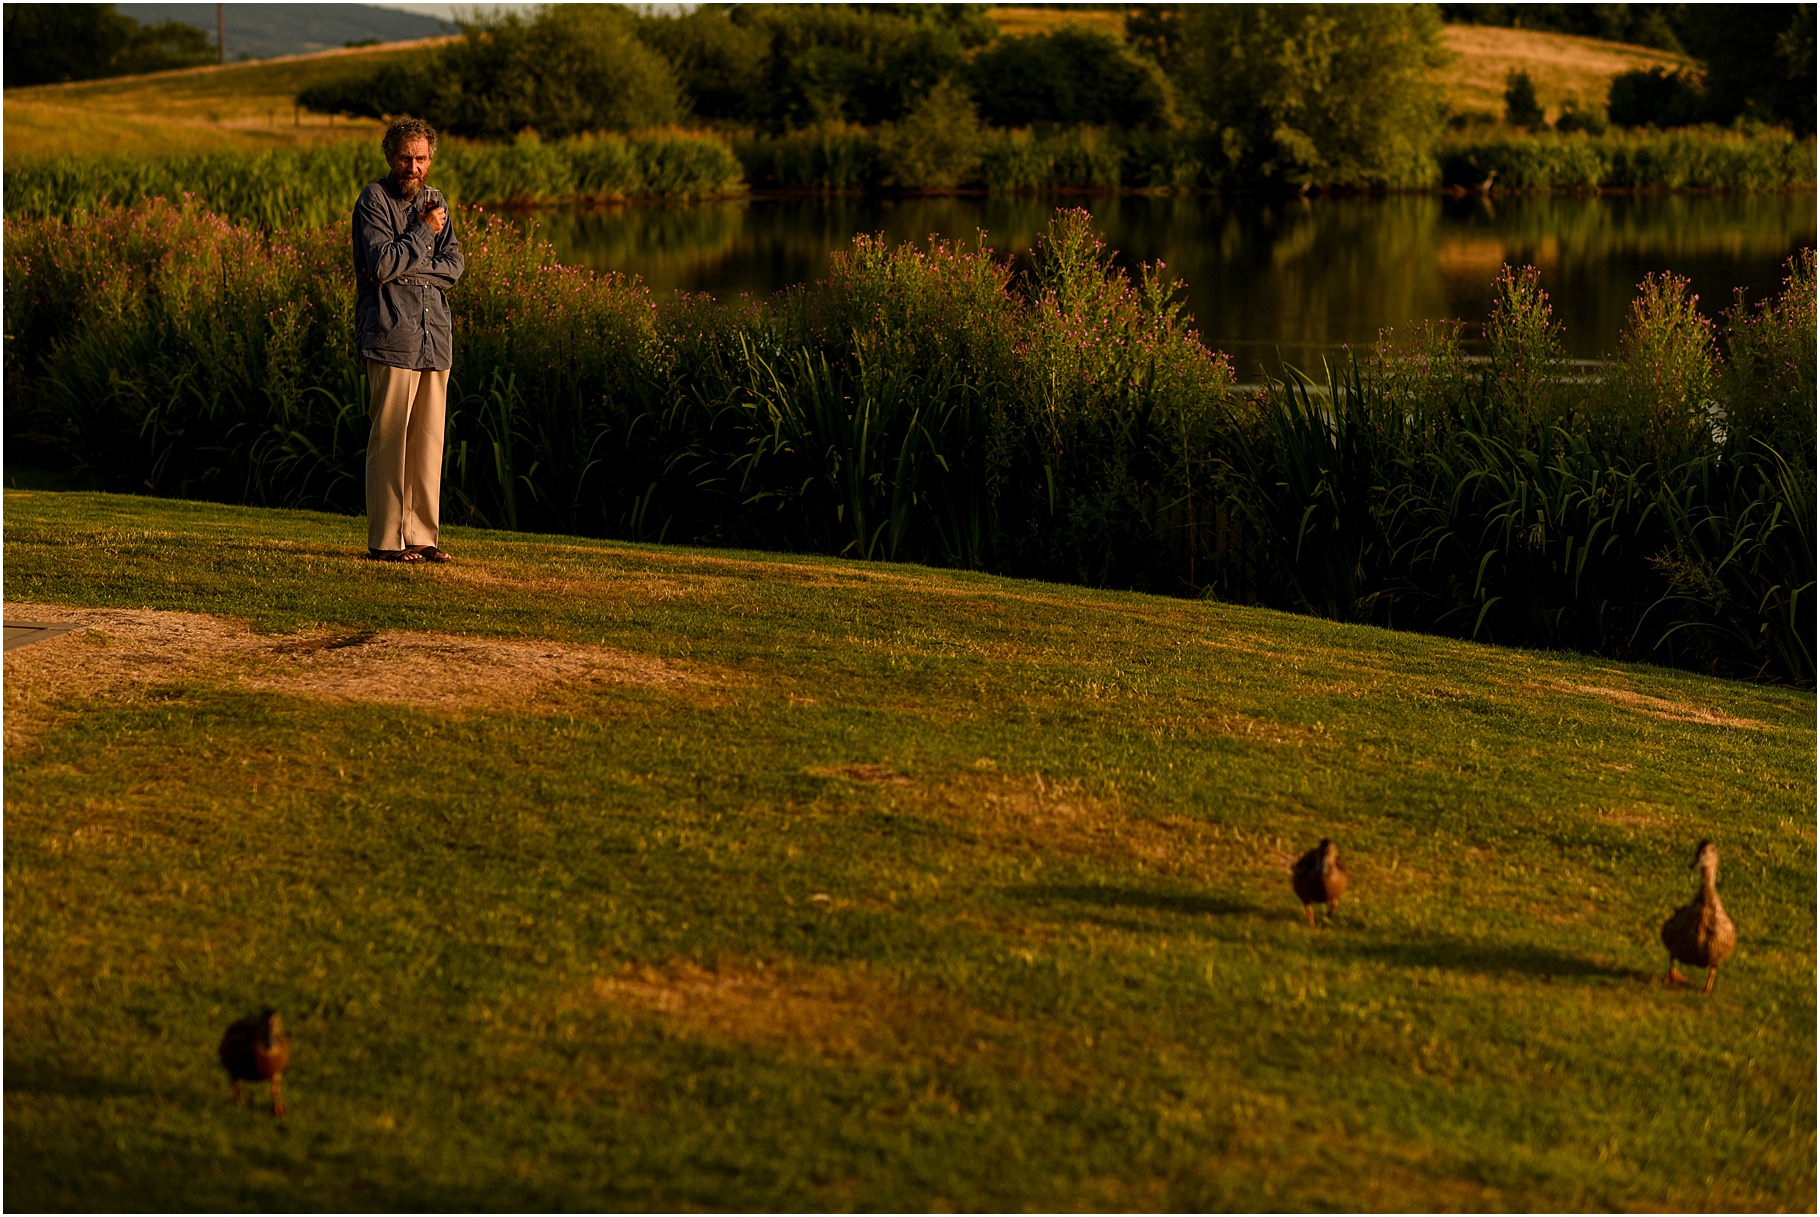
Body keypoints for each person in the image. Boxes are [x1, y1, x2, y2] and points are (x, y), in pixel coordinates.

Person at [352, 116, 466, 563]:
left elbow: (454, 267)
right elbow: (380, 266)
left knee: (428, 441)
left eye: (420, 159)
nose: (413, 167)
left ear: (430, 160)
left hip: (434, 336)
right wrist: (422, 233)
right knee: (390, 436)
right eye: (405, 158)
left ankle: (422, 537)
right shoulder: (374, 200)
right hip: (390, 333)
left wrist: (409, 265)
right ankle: (385, 542)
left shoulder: (437, 201)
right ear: (389, 156)